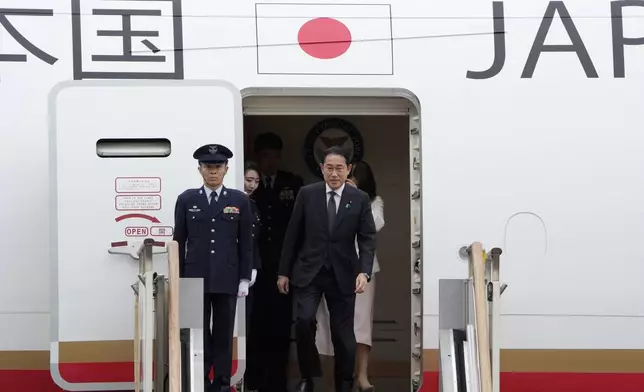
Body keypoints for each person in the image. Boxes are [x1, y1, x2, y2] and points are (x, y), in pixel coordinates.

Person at [277, 147, 377, 392]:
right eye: (329, 168)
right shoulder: (307, 194)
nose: (334, 173)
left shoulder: (360, 198)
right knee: (304, 320)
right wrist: (283, 271)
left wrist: (364, 272)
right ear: (322, 169)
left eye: (339, 168)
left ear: (348, 170)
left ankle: (344, 382)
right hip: (308, 272)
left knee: (343, 336)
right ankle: (307, 377)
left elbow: (367, 238)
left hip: (344, 275)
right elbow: (293, 234)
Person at [173, 144, 253, 392]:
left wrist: (244, 277)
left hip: (227, 277)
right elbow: (179, 241)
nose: (213, 172)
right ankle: (200, 380)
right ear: (200, 169)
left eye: (218, 167)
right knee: (197, 333)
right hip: (194, 277)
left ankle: (221, 383)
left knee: (223, 333)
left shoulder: (239, 200)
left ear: (226, 169)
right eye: (208, 167)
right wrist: (178, 278)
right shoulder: (187, 199)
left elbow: (247, 243)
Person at [315, 161, 384, 392]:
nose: (347, 180)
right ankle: (331, 379)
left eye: (353, 177)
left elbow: (375, 225)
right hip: (332, 269)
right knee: (328, 324)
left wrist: (355, 197)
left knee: (361, 324)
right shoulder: (326, 198)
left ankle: (361, 376)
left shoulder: (373, 201)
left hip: (363, 272)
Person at [250, 132, 304, 392]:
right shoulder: (249, 182)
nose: (270, 161)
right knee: (256, 324)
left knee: (281, 326)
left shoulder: (292, 183)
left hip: (284, 267)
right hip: (255, 267)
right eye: (265, 156)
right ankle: (255, 379)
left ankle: (278, 382)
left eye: (275, 155)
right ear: (258, 157)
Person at [242, 162, 263, 392]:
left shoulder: (252, 204)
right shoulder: (234, 202)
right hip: (233, 272)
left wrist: (255, 267)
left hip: (250, 273)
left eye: (256, 181)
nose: (252, 185)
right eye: (249, 180)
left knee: (246, 326)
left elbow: (253, 240)